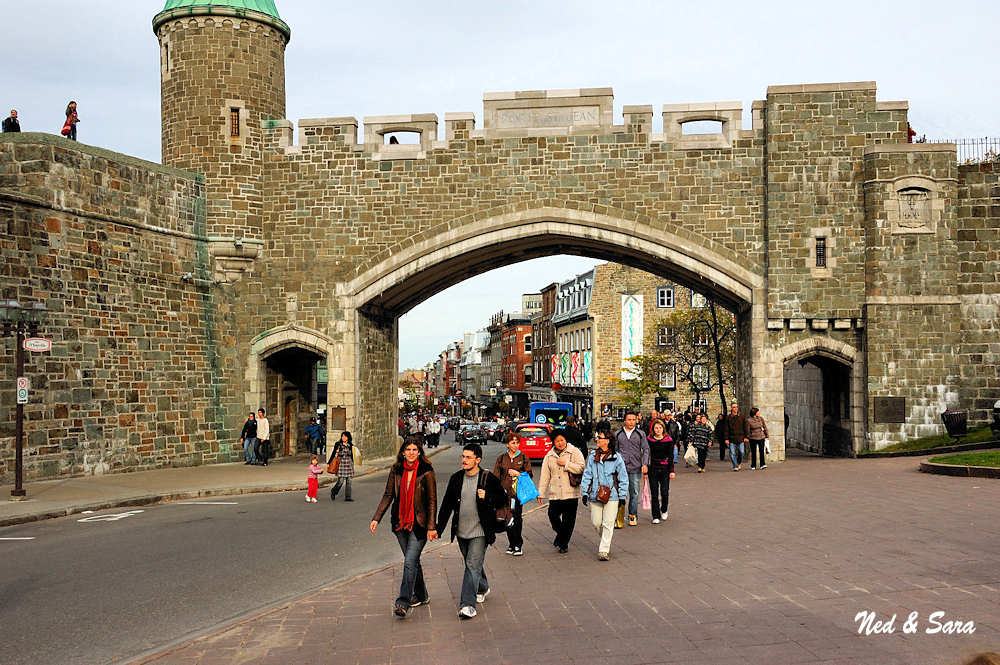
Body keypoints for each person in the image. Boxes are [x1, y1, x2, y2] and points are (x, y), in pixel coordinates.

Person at [436, 443, 506, 620]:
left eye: (468, 457)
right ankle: (482, 587)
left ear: (478, 460)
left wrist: (487, 497)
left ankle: (467, 605)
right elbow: (446, 505)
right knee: (472, 563)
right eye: (463, 456)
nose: (464, 460)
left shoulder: (487, 478)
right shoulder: (456, 478)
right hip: (461, 531)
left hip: (481, 531)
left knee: (472, 564)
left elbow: (502, 500)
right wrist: (437, 528)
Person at [370, 440, 438, 618]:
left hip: (419, 524)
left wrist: (432, 526)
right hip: (400, 522)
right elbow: (388, 494)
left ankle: (403, 602)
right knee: (412, 560)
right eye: (408, 449)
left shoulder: (426, 472)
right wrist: (377, 517)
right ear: (402, 452)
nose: (411, 453)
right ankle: (422, 595)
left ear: (420, 452)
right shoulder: (396, 470)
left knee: (409, 562)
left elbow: (432, 501)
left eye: (415, 450)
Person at [580, 430, 629, 561]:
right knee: (596, 522)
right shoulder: (592, 456)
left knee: (608, 523)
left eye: (599, 438)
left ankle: (604, 550)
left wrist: (622, 496)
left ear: (607, 440)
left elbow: (623, 478)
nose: (597, 440)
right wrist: (584, 492)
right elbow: (587, 475)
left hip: (612, 495)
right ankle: (605, 539)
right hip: (595, 494)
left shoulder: (617, 457)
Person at [536, 429, 586, 554]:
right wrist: (541, 493)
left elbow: (582, 468)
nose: (560, 443)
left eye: (562, 440)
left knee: (569, 521)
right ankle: (561, 535)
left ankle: (563, 544)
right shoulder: (549, 456)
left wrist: (567, 464)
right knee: (552, 516)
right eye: (557, 441)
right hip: (555, 494)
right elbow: (545, 476)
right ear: (553, 442)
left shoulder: (574, 451)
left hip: (571, 493)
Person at [492, 431, 531, 556]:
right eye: (512, 443)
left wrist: (518, 474)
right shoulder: (501, 458)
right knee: (507, 518)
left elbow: (529, 474)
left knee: (517, 518)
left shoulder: (524, 458)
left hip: (517, 494)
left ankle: (518, 544)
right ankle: (511, 543)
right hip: (504, 494)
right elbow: (496, 477)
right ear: (507, 444)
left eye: (517, 443)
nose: (515, 445)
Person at [613, 411, 649, 527]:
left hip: (635, 467)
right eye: (629, 419)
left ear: (636, 420)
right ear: (625, 420)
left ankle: (633, 515)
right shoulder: (618, 434)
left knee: (634, 492)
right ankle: (619, 517)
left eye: (633, 419)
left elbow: (646, 449)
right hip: (620, 468)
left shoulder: (640, 434)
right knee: (619, 493)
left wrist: (645, 464)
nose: (631, 422)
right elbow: (614, 450)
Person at [646, 418, 675, 523]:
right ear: (653, 429)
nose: (658, 430)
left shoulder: (668, 440)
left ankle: (664, 509)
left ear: (663, 429)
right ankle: (655, 516)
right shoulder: (649, 439)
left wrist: (672, 470)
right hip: (652, 468)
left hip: (664, 469)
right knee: (654, 493)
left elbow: (671, 456)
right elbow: (646, 454)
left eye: (659, 428)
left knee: (664, 491)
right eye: (656, 428)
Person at [328, 431, 356, 501]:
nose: (343, 438)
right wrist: (329, 463)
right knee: (341, 481)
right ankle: (334, 491)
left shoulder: (351, 445)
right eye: (342, 436)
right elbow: (333, 453)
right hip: (341, 464)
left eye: (345, 436)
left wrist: (353, 463)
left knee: (349, 481)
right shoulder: (338, 444)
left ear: (348, 437)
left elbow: (353, 456)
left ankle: (348, 497)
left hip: (349, 464)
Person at [724, 403, 748, 471]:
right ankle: (735, 465)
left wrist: (746, 436)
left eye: (736, 407)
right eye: (734, 407)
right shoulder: (728, 417)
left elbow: (745, 427)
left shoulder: (742, 416)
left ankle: (739, 462)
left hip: (740, 437)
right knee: (732, 453)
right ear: (731, 408)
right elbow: (726, 429)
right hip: (732, 438)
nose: (735, 408)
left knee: (742, 452)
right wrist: (726, 438)